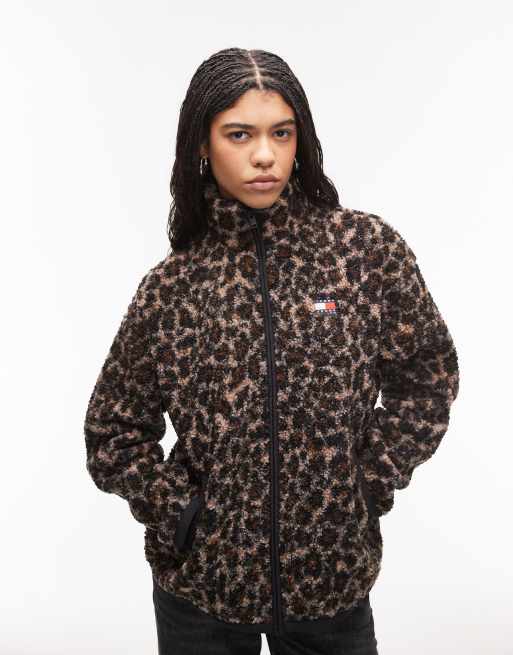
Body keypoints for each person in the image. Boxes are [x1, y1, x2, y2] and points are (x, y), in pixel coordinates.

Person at [83, 47, 460, 654]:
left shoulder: (362, 253)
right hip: (202, 593)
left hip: (330, 584)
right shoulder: (172, 288)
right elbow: (112, 432)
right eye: (240, 134)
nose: (265, 155)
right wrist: (183, 515)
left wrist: (365, 484)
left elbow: (428, 377)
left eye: (281, 133)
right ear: (202, 145)